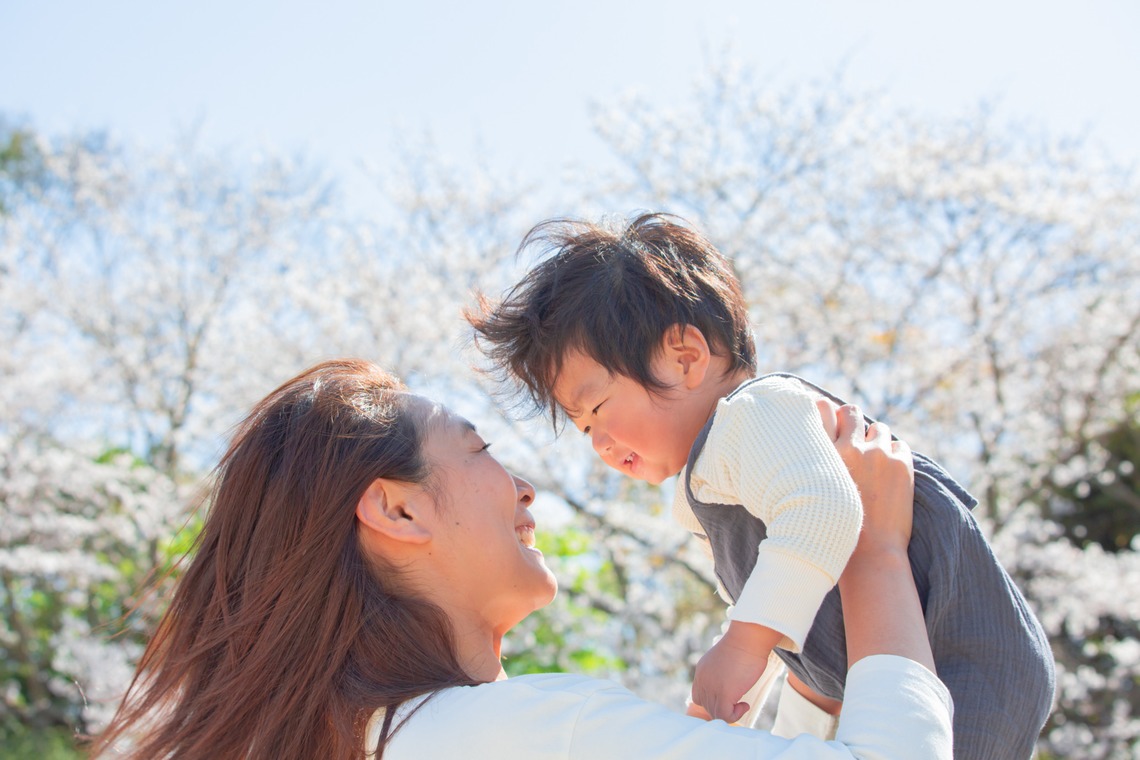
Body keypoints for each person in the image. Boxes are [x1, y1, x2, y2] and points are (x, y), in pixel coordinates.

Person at [91, 358, 951, 759]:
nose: (526, 486)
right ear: (397, 507)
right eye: (480, 451)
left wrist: (805, 680)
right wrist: (870, 551)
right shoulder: (530, 734)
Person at [467, 213, 1056, 759]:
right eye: (584, 428)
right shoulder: (708, 488)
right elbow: (777, 598)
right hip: (907, 655)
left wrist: (744, 648)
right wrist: (742, 692)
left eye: (596, 408)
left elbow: (824, 511)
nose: (597, 441)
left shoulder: (758, 411)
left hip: (966, 647)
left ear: (684, 356)